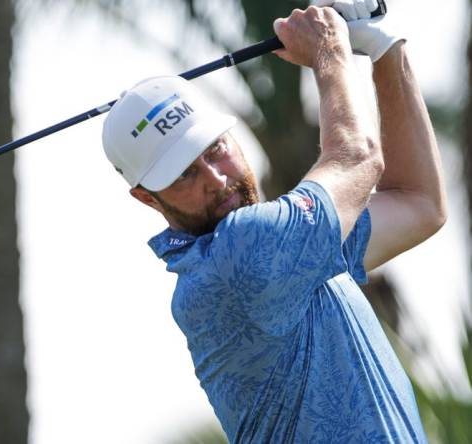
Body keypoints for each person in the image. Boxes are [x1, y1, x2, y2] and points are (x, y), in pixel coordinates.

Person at [101, 1, 446, 443]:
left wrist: (384, 50)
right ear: (148, 199)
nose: (218, 179)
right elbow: (356, 157)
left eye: (215, 150)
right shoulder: (235, 258)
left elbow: (419, 204)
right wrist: (329, 49)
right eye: (185, 174)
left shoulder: (298, 248)